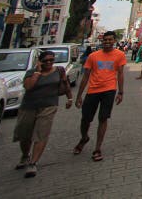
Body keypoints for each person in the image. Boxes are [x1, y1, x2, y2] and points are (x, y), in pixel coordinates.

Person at [13, 50, 73, 178]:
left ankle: (33, 163)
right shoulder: (31, 72)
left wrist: (70, 98)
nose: (49, 63)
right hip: (29, 106)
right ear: (40, 61)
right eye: (46, 61)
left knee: (41, 133)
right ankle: (25, 156)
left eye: (51, 60)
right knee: (25, 135)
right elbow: (28, 87)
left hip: (49, 106)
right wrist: (37, 72)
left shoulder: (59, 70)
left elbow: (65, 84)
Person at [73, 30, 126, 162]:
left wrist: (120, 92)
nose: (107, 42)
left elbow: (120, 74)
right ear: (102, 41)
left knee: (103, 118)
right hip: (93, 90)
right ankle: (84, 137)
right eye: (105, 40)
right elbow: (85, 76)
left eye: (110, 40)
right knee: (85, 119)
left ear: (114, 41)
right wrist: (79, 95)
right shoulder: (93, 56)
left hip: (109, 90)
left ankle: (97, 148)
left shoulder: (119, 55)